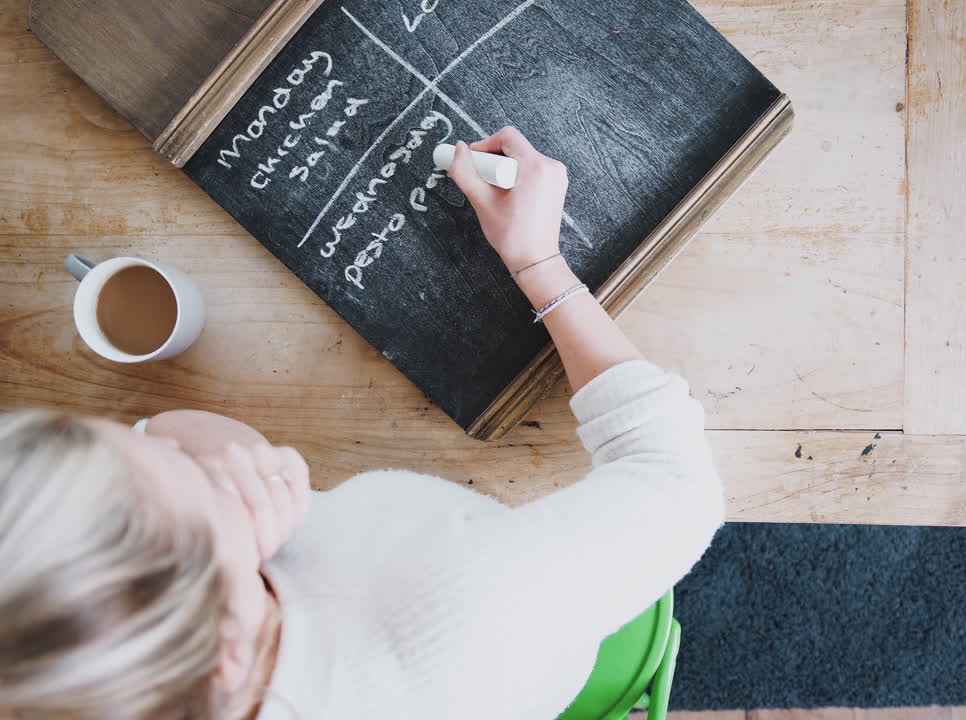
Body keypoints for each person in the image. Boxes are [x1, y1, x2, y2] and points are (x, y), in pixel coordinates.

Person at [0, 127, 724, 719]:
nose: (169, 451)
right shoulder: (461, 608)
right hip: (550, 629)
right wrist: (539, 261)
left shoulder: (136, 656)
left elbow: (155, 433)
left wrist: (227, 462)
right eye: (196, 482)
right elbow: (676, 480)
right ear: (225, 651)